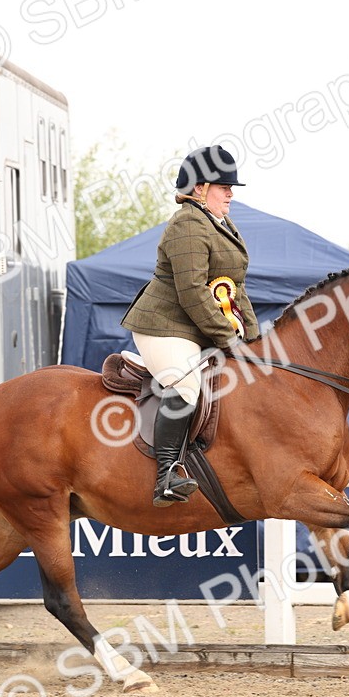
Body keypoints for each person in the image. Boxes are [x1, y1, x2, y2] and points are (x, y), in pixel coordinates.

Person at [122, 145, 260, 507]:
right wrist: (229, 339)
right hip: (163, 326)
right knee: (186, 383)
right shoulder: (187, 223)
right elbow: (193, 293)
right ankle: (166, 474)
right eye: (223, 186)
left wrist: (256, 341)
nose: (230, 193)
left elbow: (235, 287)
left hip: (194, 326)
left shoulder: (221, 223)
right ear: (199, 188)